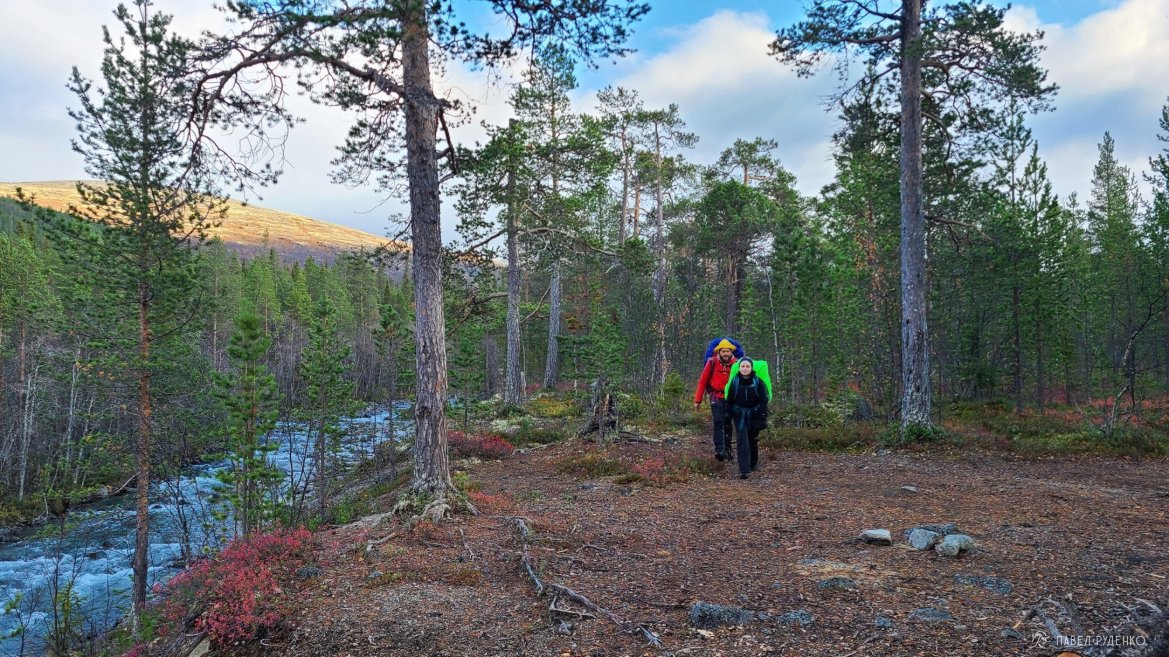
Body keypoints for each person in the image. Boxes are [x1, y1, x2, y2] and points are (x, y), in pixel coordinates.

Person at [723, 357, 771, 479]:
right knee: (742, 440)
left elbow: (763, 400)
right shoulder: (735, 381)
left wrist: (763, 415)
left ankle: (753, 463)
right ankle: (744, 470)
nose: (745, 369)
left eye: (747, 366)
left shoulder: (758, 382)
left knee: (752, 440)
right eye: (742, 366)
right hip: (739, 415)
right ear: (739, 368)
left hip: (754, 414)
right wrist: (728, 413)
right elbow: (730, 399)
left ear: (751, 368)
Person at [693, 339, 738, 461]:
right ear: (719, 352)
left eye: (728, 351)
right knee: (718, 422)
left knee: (728, 423)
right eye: (723, 351)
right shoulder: (712, 362)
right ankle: (719, 450)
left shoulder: (737, 364)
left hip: (730, 398)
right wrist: (698, 400)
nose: (725, 353)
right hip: (716, 396)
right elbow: (703, 381)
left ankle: (728, 450)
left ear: (731, 352)